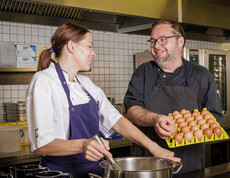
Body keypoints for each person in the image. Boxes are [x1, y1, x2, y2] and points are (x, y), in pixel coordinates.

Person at [26, 23, 180, 178]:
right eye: (89, 46)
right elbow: (43, 145)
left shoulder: (86, 85)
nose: (93, 53)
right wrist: (84, 144)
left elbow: (117, 120)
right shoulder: (44, 81)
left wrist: (154, 148)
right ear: (72, 46)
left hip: (94, 172)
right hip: (60, 173)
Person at [124, 19, 223, 175]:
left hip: (190, 162)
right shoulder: (143, 72)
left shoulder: (201, 74)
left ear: (180, 41)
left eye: (163, 40)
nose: (156, 46)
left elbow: (214, 115)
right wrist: (155, 119)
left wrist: (189, 128)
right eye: (153, 41)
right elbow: (131, 110)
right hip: (149, 164)